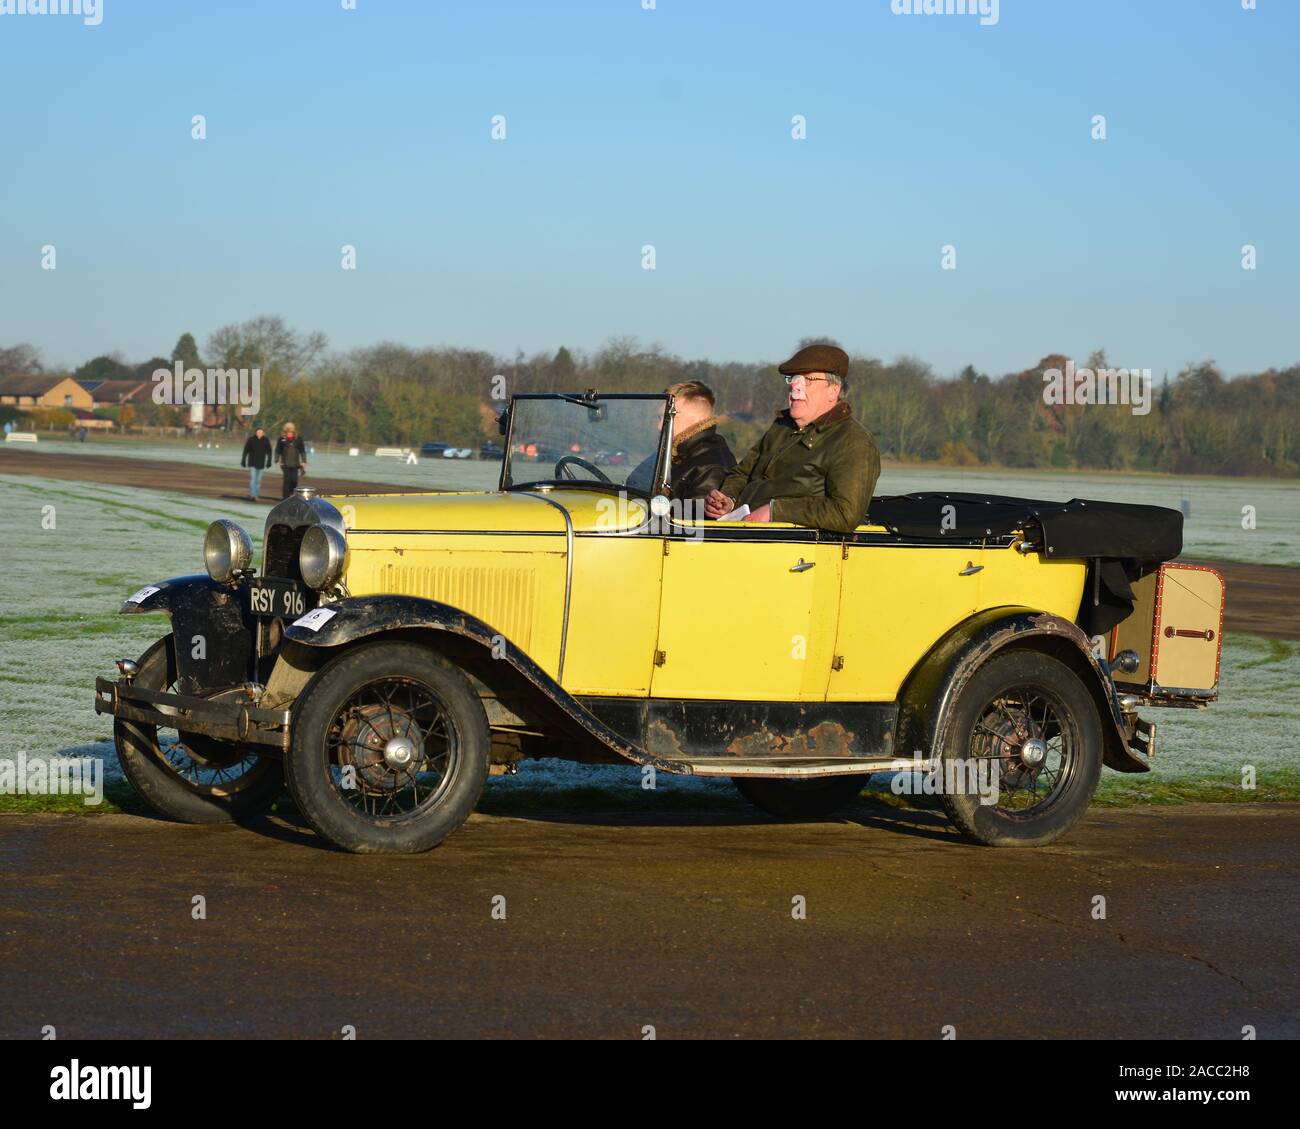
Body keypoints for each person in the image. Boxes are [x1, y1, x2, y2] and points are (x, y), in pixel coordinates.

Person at [705, 343, 879, 534]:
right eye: (793, 379)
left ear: (833, 390)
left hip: (795, 551)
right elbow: (743, 472)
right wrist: (728, 500)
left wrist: (775, 511)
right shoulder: (781, 426)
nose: (795, 386)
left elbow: (845, 513)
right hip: (741, 535)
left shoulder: (853, 442)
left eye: (808, 380)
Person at [628, 381, 736, 503]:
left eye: (669, 417)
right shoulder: (670, 452)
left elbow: (692, 517)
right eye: (659, 417)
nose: (659, 426)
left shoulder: (711, 467)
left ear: (697, 420)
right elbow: (632, 485)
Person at [275, 421, 307, 498]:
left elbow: (302, 451)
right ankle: (285, 497)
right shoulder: (281, 440)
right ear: (285, 432)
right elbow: (277, 451)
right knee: (287, 480)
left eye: (291, 432)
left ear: (293, 431)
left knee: (294, 480)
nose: (289, 433)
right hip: (285, 464)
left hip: (296, 464)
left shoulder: (298, 439)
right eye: (287, 432)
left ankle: (291, 493)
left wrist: (304, 461)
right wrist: (276, 460)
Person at [241, 424, 273, 501]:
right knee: (253, 479)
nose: (259, 433)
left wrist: (269, 461)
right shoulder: (251, 440)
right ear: (256, 433)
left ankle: (256, 495)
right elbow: (246, 450)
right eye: (258, 432)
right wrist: (243, 460)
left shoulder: (266, 440)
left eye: (261, 432)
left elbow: (269, 451)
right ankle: (252, 495)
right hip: (252, 463)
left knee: (258, 481)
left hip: (261, 464)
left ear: (263, 433)